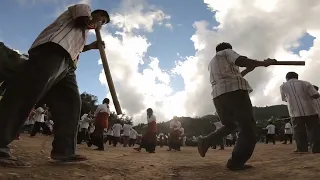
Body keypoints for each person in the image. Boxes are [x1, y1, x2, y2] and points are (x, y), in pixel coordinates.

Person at [0, 4, 111, 167]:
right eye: (102, 20)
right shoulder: (83, 10)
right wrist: (95, 24)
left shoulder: (84, 33)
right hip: (52, 50)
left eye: (103, 23)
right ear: (97, 14)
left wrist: (91, 47)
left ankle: (64, 151)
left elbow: (76, 47)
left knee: (71, 105)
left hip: (68, 65)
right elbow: (81, 21)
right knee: (27, 91)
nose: (101, 24)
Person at [197, 42, 276, 171]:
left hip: (218, 95)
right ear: (229, 49)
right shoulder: (226, 52)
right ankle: (236, 162)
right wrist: (264, 63)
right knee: (248, 129)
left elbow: (232, 76)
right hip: (235, 93)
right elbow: (241, 60)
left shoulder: (213, 63)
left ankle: (206, 140)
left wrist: (248, 69)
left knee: (231, 124)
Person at [280, 72, 320, 153]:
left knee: (298, 131)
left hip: (295, 112)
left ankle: (302, 149)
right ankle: (316, 149)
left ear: (287, 78)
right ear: (297, 77)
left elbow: (285, 99)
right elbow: (316, 95)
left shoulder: (283, 86)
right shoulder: (306, 83)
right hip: (310, 110)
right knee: (313, 130)